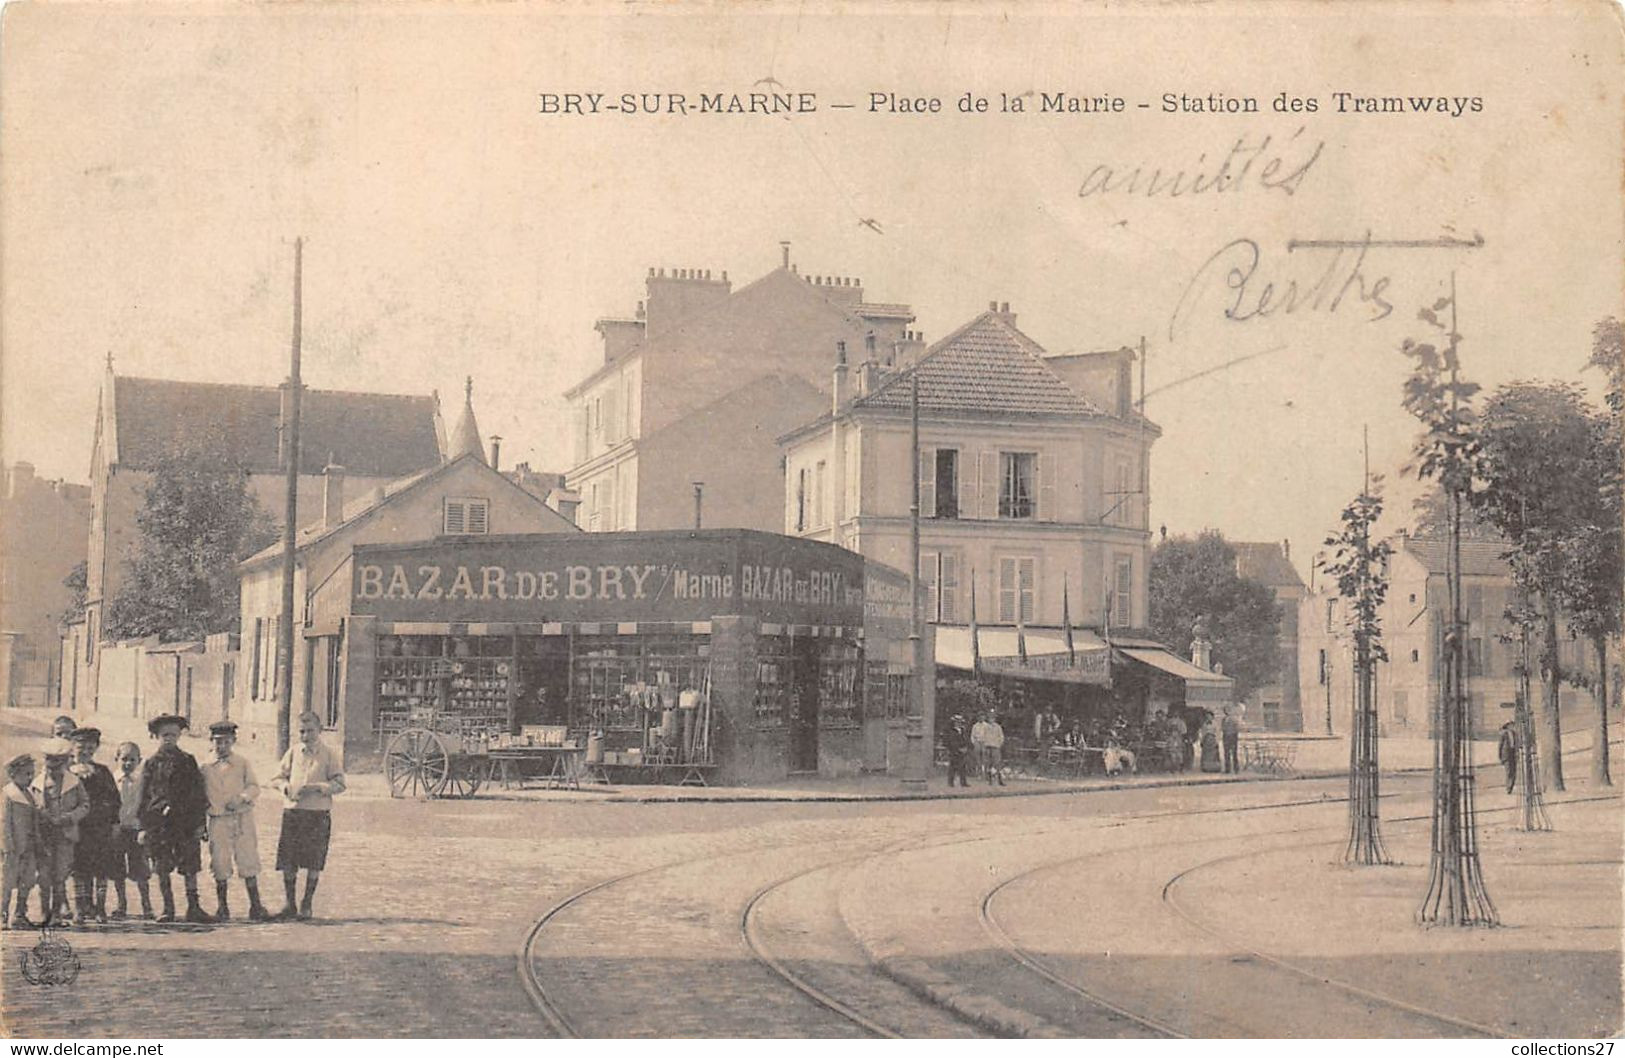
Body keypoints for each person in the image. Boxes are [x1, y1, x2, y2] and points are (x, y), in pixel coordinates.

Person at [137, 714, 213, 924]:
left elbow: (198, 794)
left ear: (180, 735)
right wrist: (143, 826)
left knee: (190, 864)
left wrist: (200, 823)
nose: (168, 739)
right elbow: (143, 796)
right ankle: (167, 907)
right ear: (157, 736)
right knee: (161, 866)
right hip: (159, 824)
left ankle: (193, 906)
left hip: (185, 823)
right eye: (164, 735)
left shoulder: (188, 761)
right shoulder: (151, 763)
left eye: (173, 734)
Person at [272, 712, 346, 921]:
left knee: (314, 860)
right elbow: (277, 777)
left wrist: (318, 787)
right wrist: (285, 787)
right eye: (302, 731)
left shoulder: (329, 754)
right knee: (289, 860)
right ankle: (290, 904)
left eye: (310, 731)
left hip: (317, 813)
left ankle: (307, 903)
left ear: (320, 731)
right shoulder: (294, 752)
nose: (306, 736)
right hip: (293, 812)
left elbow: (340, 784)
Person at [202, 720, 270, 922]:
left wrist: (242, 797)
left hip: (241, 818)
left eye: (226, 742)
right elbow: (200, 794)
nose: (221, 746)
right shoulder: (205, 767)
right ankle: (223, 907)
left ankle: (255, 905)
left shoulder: (242, 763)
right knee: (220, 862)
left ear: (233, 741)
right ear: (211, 742)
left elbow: (254, 787)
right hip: (218, 820)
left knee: (248, 858)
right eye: (217, 742)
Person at [33, 738, 88, 927]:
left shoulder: (74, 782)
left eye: (57, 765)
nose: (53, 770)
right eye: (49, 763)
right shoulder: (37, 783)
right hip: (44, 835)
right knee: (44, 875)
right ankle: (43, 912)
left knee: (60, 874)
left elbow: (85, 805)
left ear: (65, 763)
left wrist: (69, 817)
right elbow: (32, 805)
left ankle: (56, 913)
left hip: (65, 835)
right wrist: (41, 814)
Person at [68, 727, 119, 924]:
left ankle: (100, 908)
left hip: (99, 829)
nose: (86, 752)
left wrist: (114, 822)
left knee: (100, 868)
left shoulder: (103, 771)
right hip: (77, 828)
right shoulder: (67, 772)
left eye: (90, 748)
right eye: (81, 747)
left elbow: (115, 799)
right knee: (79, 868)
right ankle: (80, 908)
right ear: (72, 748)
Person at [109, 741, 153, 920]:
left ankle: (147, 905)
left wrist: (145, 827)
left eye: (132, 760)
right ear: (116, 759)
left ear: (139, 761)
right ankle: (121, 904)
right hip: (118, 830)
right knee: (117, 869)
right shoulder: (111, 779)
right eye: (124, 759)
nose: (128, 764)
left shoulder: (142, 781)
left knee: (141, 868)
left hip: (136, 829)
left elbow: (146, 805)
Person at [2, 753, 42, 929]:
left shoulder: (30, 794)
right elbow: (3, 822)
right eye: (26, 774)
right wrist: (7, 845)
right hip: (13, 847)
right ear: (13, 774)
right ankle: (3, 915)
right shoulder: (8, 795)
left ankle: (20, 913)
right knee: (7, 882)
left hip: (29, 845)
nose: (30, 777)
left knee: (27, 880)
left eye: (31, 773)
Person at [943, 714, 972, 788]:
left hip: (962, 750)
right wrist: (958, 749)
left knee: (962, 767)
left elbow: (965, 740)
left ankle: (963, 782)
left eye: (959, 722)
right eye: (956, 722)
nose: (958, 723)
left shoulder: (962, 730)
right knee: (953, 766)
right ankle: (950, 782)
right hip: (954, 751)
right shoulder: (951, 731)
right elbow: (951, 742)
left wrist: (966, 747)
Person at [982, 711, 1006, 786]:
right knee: (988, 763)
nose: (991, 720)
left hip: (995, 746)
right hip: (988, 746)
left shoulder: (998, 727)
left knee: (997, 763)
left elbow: (1001, 736)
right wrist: (984, 745)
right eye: (990, 718)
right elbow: (983, 737)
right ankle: (990, 780)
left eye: (993, 718)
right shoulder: (985, 727)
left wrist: (999, 744)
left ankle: (1000, 779)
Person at [1498, 719, 1519, 794]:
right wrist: (1500, 756)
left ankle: (1511, 786)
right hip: (1506, 754)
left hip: (1513, 753)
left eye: (1512, 724)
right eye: (1510, 724)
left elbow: (1516, 744)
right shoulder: (1503, 734)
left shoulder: (1514, 733)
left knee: (1514, 771)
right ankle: (1508, 788)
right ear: (1507, 726)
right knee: (1509, 771)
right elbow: (1500, 745)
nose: (1511, 726)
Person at [1220, 708, 1241, 775]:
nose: (1227, 712)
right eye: (1225, 711)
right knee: (1226, 754)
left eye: (1228, 711)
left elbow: (1236, 729)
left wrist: (1234, 736)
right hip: (1226, 737)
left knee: (1234, 753)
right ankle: (1227, 769)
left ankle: (1236, 768)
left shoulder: (1234, 719)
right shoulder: (1223, 720)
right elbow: (1223, 728)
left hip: (1232, 737)